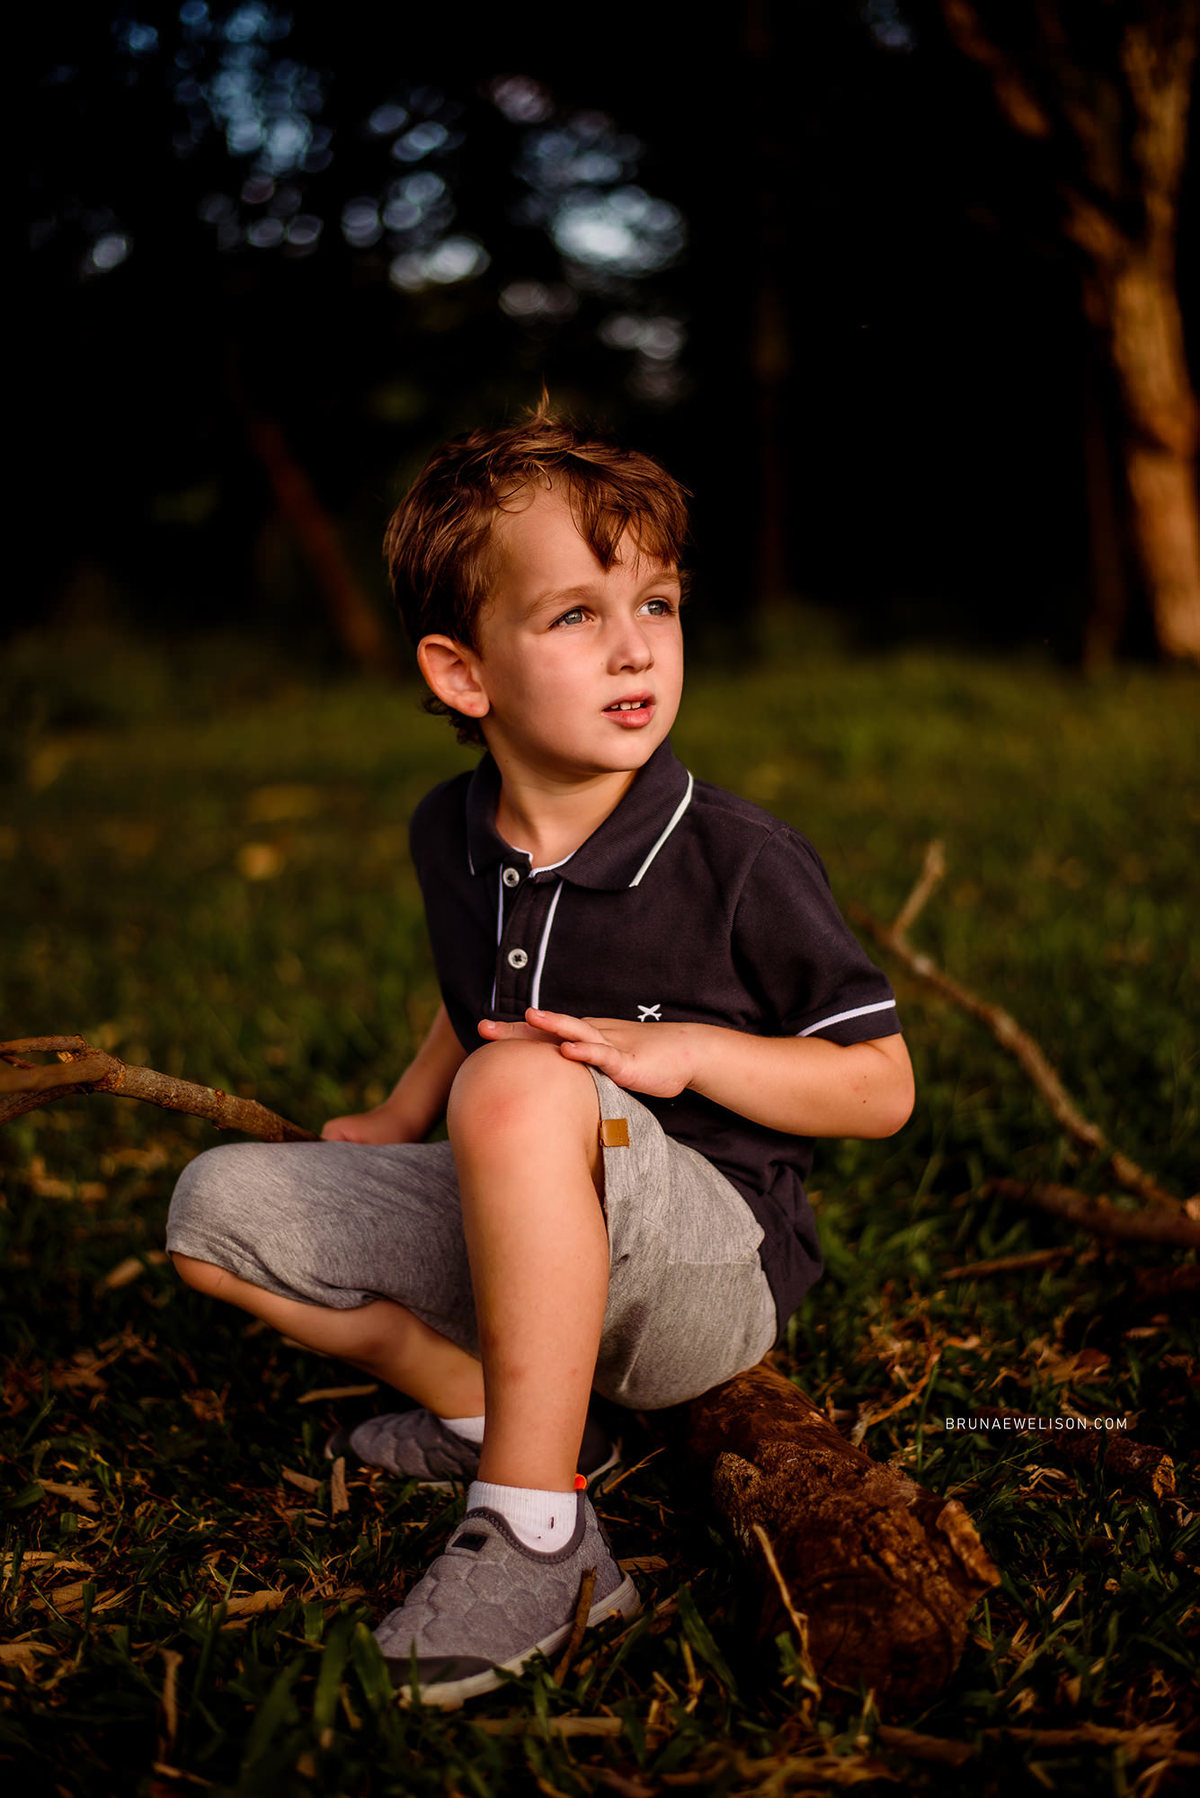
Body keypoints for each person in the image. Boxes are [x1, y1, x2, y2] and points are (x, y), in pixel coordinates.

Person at [166, 406, 914, 1707]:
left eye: (659, 603)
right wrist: (399, 1116)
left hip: (710, 1267)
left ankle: (542, 1533)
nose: (636, 646)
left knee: (509, 1089)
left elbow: (881, 1086)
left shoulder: (739, 856)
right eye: (576, 615)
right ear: (465, 676)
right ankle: (484, 1402)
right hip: (530, 1206)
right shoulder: (448, 831)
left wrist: (688, 1050)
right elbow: (477, 1004)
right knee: (211, 1213)